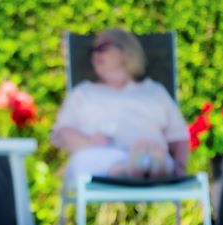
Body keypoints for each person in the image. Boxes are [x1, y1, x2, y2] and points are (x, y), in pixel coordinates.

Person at [52, 27, 189, 180]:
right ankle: (133, 168)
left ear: (126, 51)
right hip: (100, 155)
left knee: (156, 154)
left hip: (152, 151)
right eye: (93, 50)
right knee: (86, 159)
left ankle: (144, 164)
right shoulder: (83, 92)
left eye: (102, 47)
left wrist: (180, 167)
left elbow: (179, 136)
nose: (95, 53)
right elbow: (62, 131)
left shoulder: (155, 91)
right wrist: (89, 142)